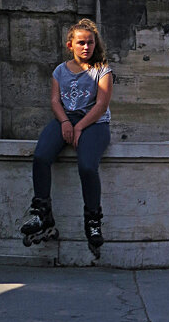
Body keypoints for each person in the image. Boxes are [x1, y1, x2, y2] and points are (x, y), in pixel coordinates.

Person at [20, 18, 113, 257]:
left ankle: (92, 221)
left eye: (90, 43)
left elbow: (101, 105)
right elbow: (54, 100)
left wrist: (79, 126)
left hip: (94, 123)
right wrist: (64, 122)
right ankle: (42, 213)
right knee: (41, 156)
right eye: (81, 42)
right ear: (70, 45)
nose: (86, 47)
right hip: (66, 119)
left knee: (87, 166)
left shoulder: (103, 70)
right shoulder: (60, 71)